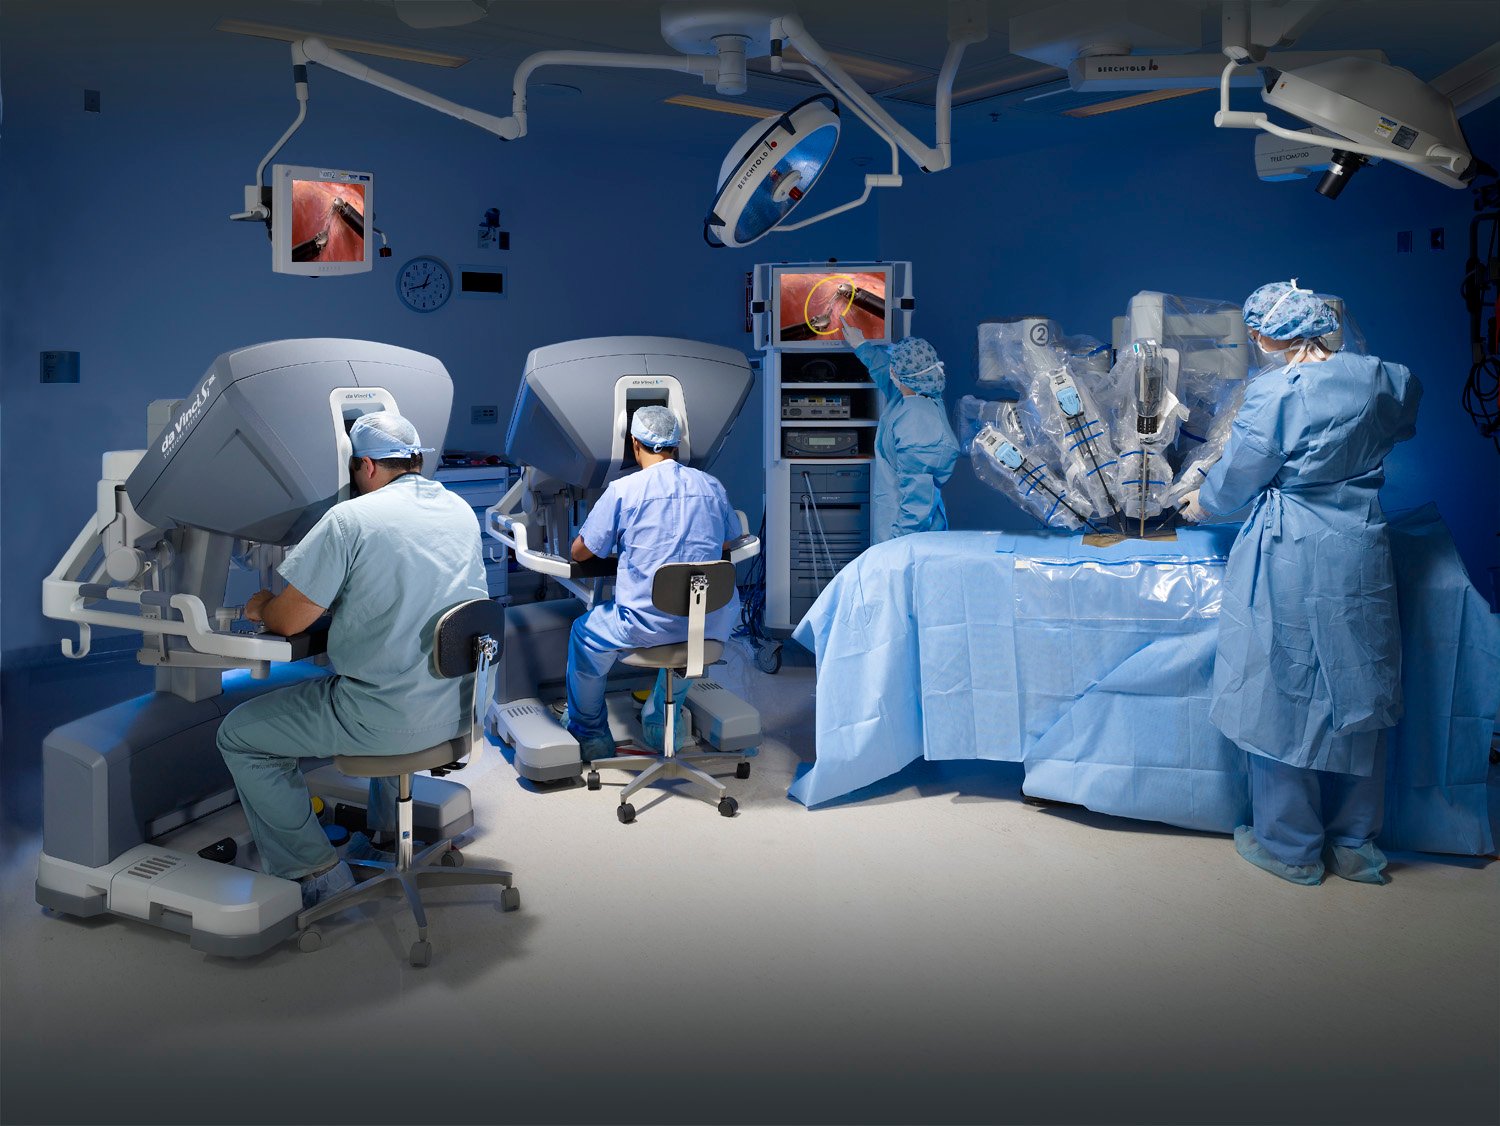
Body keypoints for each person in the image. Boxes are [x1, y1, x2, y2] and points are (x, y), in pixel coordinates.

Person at [1180, 280, 1421, 886]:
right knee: (1360, 689)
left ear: (1265, 335)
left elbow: (1239, 476)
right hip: (1360, 541)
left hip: (1293, 547)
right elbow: (1397, 423)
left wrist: (1201, 502)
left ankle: (1291, 848)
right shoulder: (1382, 375)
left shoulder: (1274, 391)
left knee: (1281, 691)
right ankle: (1356, 846)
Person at [216, 412, 489, 907]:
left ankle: (314, 873)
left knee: (239, 734)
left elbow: (288, 622)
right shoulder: (459, 509)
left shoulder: (351, 520)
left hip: (385, 718)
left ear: (363, 465)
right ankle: (388, 832)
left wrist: (260, 606)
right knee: (396, 674)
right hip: (455, 709)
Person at [564, 405, 742, 760]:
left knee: (584, 635)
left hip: (645, 625)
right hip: (709, 621)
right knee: (691, 635)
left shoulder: (623, 490)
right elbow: (727, 542)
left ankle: (591, 735)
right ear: (677, 444)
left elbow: (580, 552)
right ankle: (661, 717)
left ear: (634, 443)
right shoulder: (710, 485)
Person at [841, 318, 960, 543]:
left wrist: (898, 547)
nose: (890, 369)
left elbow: (917, 506)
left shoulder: (919, 430)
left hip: (906, 532)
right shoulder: (916, 395)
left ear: (901, 374)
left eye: (893, 365)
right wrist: (861, 345)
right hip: (896, 520)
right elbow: (886, 374)